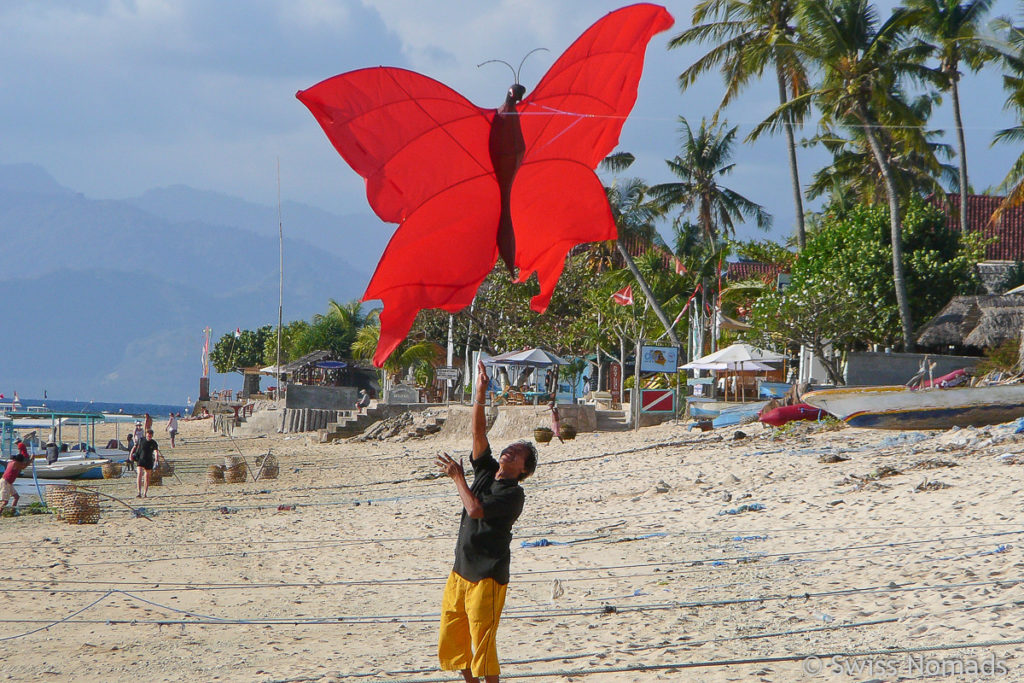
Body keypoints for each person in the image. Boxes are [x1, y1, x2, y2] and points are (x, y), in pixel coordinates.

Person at [434, 360, 537, 682]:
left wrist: (457, 479)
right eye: (509, 448)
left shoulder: (512, 494)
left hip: (488, 577)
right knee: (458, 641)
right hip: (460, 569)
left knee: (483, 646)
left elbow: (476, 509)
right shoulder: (487, 469)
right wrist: (480, 392)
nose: (509, 452)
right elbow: (478, 432)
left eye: (517, 453)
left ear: (524, 469)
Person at [1, 443, 31, 513]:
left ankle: (12, 510)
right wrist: (31, 460)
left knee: (16, 497)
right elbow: (23, 467)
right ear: (19, 461)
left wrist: (30, 461)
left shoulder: (12, 462)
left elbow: (23, 466)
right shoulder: (15, 463)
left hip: (9, 482)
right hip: (5, 482)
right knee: (5, 501)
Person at [135, 429, 162, 498]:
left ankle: (145, 493)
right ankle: (139, 492)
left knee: (147, 477)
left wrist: (156, 458)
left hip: (149, 460)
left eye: (150, 436)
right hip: (141, 459)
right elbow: (135, 447)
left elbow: (156, 451)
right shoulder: (141, 440)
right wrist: (131, 455)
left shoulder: (154, 443)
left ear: (152, 436)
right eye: (147, 436)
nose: (148, 437)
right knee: (139, 473)